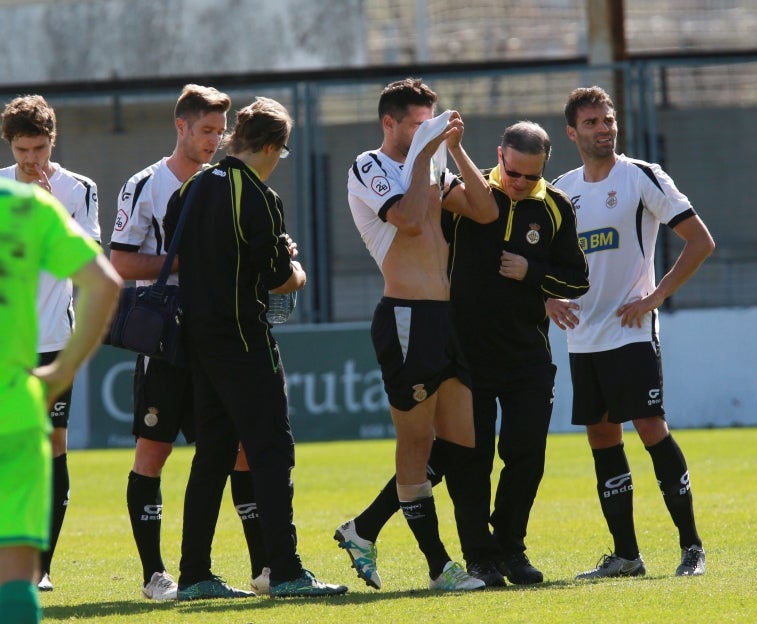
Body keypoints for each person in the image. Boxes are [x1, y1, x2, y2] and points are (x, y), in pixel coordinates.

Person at [337, 121, 589, 589]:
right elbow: (421, 246)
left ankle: (512, 547)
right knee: (468, 459)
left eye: (530, 178)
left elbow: (576, 280)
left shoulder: (555, 207)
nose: (519, 185)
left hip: (528, 353)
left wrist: (532, 274)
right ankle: (480, 558)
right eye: (512, 174)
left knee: (527, 453)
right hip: (465, 350)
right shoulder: (463, 199)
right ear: (499, 157)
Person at [163, 96, 346, 599]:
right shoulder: (259, 196)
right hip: (244, 338)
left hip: (198, 340)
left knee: (213, 456)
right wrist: (296, 269)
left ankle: (195, 574)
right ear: (268, 146)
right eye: (281, 152)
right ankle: (285, 570)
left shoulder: (193, 186)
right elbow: (276, 278)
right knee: (272, 451)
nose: (277, 160)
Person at [548, 86, 714, 579]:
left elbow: (700, 241)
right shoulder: (561, 189)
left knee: (649, 428)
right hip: (583, 337)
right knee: (601, 436)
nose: (605, 128)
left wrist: (653, 298)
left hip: (632, 333)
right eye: (593, 122)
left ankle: (691, 547)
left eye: (609, 119)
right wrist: (546, 298)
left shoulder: (642, 177)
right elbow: (541, 261)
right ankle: (626, 556)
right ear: (572, 132)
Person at [109, 84, 268, 600]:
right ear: (181, 127)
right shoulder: (146, 184)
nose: (214, 141)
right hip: (169, 340)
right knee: (152, 452)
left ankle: (263, 566)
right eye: (206, 131)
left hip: (219, 334)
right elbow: (122, 263)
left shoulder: (227, 181)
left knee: (240, 450)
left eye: (221, 132)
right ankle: (155, 575)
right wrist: (188, 261)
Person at [342, 77, 497, 591]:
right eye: (417, 122)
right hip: (406, 315)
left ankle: (363, 528)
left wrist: (454, 148)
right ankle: (438, 567)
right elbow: (407, 221)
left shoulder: (431, 164)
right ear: (390, 123)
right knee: (416, 442)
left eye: (430, 120)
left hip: (444, 319)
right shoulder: (371, 165)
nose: (426, 129)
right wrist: (427, 152)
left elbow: (486, 210)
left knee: (459, 447)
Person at [0, 177, 121, 624]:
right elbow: (105, 283)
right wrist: (65, 368)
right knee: (16, 578)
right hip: (14, 408)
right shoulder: (26, 205)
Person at [0, 94, 101, 593]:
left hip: (54, 339)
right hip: (5, 345)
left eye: (38, 148)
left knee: (52, 445)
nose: (31, 160)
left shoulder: (78, 189)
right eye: (22, 150)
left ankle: (40, 567)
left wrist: (50, 203)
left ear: (52, 141)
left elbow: (93, 260)